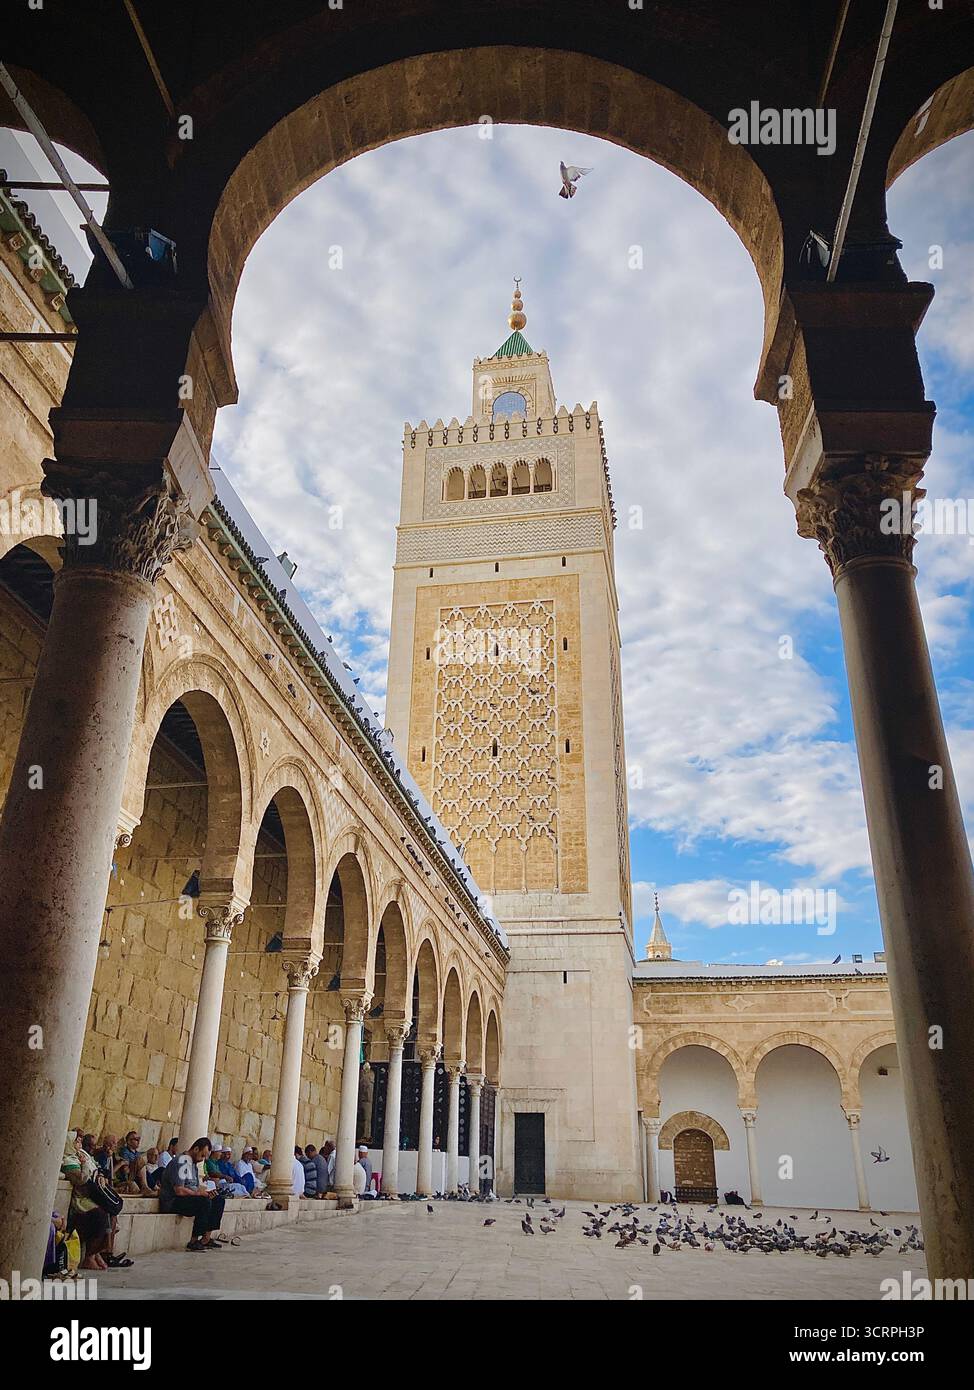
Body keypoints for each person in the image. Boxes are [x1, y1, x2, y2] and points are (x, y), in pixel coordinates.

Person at [60, 1131, 132, 1270]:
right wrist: (85, 1165)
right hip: (82, 1199)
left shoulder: (84, 1155)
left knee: (112, 1213)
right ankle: (90, 1256)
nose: (79, 1144)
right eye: (76, 1141)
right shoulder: (69, 1160)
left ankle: (100, 1253)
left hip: (93, 1195)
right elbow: (81, 1179)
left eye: (80, 1141)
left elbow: (98, 1168)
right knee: (101, 1215)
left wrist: (100, 1175)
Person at [158, 1137, 226, 1251]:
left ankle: (206, 1238)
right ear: (195, 1149)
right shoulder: (182, 1161)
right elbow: (179, 1190)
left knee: (218, 1200)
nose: (202, 1159)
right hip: (173, 1201)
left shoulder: (192, 1164)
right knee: (204, 1202)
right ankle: (194, 1240)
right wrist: (199, 1194)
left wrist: (206, 1193)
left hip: (189, 1197)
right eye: (202, 1155)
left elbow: (193, 1186)